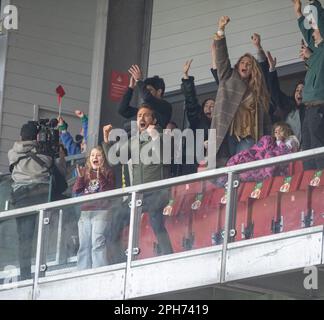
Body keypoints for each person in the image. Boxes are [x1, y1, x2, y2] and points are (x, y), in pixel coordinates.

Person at [102, 105, 174, 259]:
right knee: (115, 222)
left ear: (154, 120)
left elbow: (166, 158)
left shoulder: (164, 135)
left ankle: (168, 258)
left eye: (146, 115)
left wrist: (155, 137)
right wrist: (107, 140)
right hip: (137, 195)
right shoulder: (133, 141)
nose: (141, 118)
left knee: (157, 225)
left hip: (157, 192)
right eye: (139, 115)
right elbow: (113, 160)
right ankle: (119, 262)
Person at [8, 121, 67, 280]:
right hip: (41, 197)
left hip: (20, 198)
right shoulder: (46, 154)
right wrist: (59, 155)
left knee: (24, 239)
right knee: (43, 234)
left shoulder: (12, 154)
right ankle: (44, 268)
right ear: (37, 137)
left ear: (21, 136)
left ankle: (25, 275)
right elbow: (61, 179)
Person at [211, 16, 271, 162]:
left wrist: (259, 48)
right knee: (227, 168)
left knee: (242, 166)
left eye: (249, 64)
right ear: (237, 66)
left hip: (250, 136)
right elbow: (222, 58)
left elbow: (264, 71)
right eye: (243, 62)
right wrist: (221, 30)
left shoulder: (257, 89)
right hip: (228, 133)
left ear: (253, 70)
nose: (245, 65)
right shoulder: (228, 76)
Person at [292, 0, 324, 169]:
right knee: (308, 149)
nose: (312, 30)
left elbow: (318, 18)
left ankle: (321, 186)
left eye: (316, 27)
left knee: (319, 148)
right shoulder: (315, 48)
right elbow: (306, 28)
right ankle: (310, 184)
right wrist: (298, 11)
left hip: (320, 106)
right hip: (309, 107)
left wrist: (313, 3)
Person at [72, 146, 115, 270]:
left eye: (98, 155)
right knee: (84, 244)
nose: (95, 157)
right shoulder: (85, 172)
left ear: (103, 158)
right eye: (92, 155)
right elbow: (76, 190)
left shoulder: (108, 172)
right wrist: (80, 177)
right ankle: (82, 271)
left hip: (101, 212)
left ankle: (99, 270)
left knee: (97, 242)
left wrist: (99, 174)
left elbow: (108, 190)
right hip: (85, 212)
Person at [218, 122, 299, 185]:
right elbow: (257, 150)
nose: (277, 134)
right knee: (242, 157)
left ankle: (235, 177)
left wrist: (279, 141)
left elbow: (283, 152)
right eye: (276, 132)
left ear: (286, 131)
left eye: (281, 131)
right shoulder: (271, 140)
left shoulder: (291, 140)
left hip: (270, 164)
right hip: (258, 158)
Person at [266, 50, 306, 142]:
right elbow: (275, 91)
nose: (299, 93)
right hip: (286, 149)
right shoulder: (288, 104)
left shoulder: (310, 108)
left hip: (305, 148)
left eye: (302, 91)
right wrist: (272, 69)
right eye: (297, 90)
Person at [118, 64, 172, 129]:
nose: (142, 117)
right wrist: (131, 87)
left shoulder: (165, 107)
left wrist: (138, 80)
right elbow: (122, 110)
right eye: (140, 115)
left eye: (149, 90)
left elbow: (147, 98)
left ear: (159, 92)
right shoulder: (142, 111)